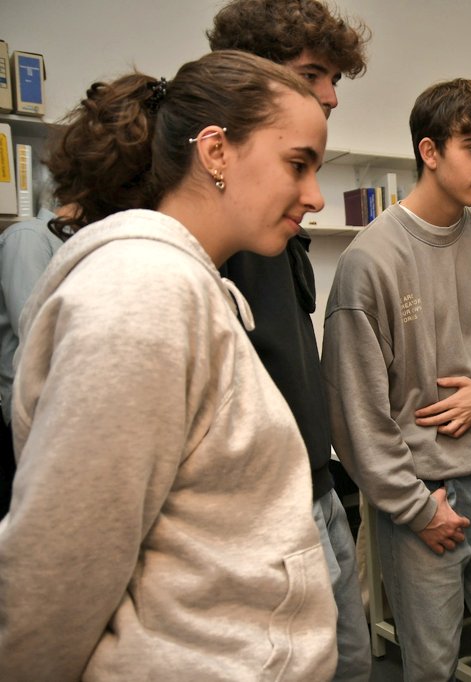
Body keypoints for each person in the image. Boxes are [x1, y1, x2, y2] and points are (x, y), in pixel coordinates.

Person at [0, 50, 337, 679]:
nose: (314, 196)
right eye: (298, 165)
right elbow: (61, 565)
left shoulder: (188, 284)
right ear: (215, 152)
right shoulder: (142, 292)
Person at [322, 78, 471, 680]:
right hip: (423, 497)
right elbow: (356, 415)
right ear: (429, 151)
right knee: (431, 666)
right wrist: (416, 508)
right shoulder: (369, 261)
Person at [207, 2, 371, 679]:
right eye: (312, 74)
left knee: (352, 665)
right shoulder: (210, 230)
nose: (330, 94)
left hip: (317, 484)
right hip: (262, 510)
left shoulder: (275, 217)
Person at [0, 198, 72, 519]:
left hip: (62, 408)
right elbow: (36, 332)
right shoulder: (29, 236)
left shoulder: (74, 243)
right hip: (33, 411)